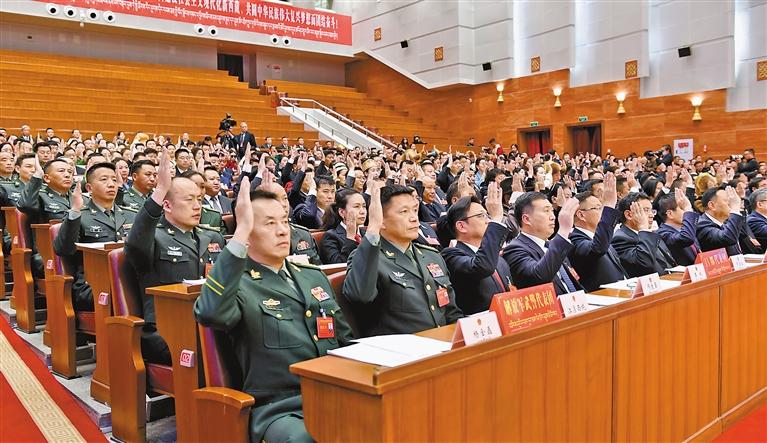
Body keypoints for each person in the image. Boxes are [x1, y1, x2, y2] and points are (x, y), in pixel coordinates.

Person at [194, 180, 353, 443]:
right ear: (246, 232)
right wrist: (239, 236)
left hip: (334, 394)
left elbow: (345, 341)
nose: (282, 231)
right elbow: (209, 313)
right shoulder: (238, 284)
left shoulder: (313, 277)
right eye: (269, 224)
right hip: (281, 409)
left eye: (284, 222)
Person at [125, 150, 225, 364]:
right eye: (189, 200)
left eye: (199, 199)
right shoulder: (154, 238)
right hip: (165, 331)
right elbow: (134, 243)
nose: (197, 206)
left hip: (207, 322)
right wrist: (160, 190)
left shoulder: (213, 237)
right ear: (167, 205)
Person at [343, 184, 462, 337]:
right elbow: (360, 295)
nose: (414, 218)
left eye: (414, 210)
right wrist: (373, 229)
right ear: (381, 220)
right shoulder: (369, 258)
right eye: (404, 212)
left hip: (443, 343)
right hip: (400, 349)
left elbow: (451, 312)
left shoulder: (432, 256)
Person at [53, 163, 135, 312]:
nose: (111, 184)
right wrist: (75, 210)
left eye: (114, 180)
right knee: (130, 293)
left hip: (129, 277)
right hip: (92, 283)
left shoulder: (132, 215)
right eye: (104, 180)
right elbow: (63, 249)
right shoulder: (79, 215)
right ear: (89, 188)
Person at [440, 183, 512, 315]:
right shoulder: (451, 255)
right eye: (480, 216)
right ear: (461, 226)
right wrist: (496, 219)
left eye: (487, 215)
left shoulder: (497, 257)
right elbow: (481, 266)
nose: (488, 221)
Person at [502, 192, 582, 295]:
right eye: (546, 211)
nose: (553, 217)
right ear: (527, 219)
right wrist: (563, 230)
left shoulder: (551, 245)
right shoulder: (514, 249)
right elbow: (539, 277)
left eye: (552, 211)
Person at [568, 174, 628, 292]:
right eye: (598, 208)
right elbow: (597, 249)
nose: (603, 212)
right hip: (602, 298)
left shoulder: (602, 235)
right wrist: (609, 206)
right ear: (581, 215)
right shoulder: (575, 240)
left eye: (602, 207)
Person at [612, 193, 677, 277]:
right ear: (628, 215)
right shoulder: (620, 238)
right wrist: (643, 228)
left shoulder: (651, 233)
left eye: (652, 210)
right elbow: (644, 264)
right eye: (646, 210)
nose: (651, 215)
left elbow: (669, 262)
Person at [258, 181, 322, 265]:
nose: (283, 204)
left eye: (285, 198)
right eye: (275, 200)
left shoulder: (304, 234)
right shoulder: (255, 238)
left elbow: (318, 268)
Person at [319, 189, 367, 264]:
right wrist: (350, 237)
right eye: (356, 206)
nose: (362, 211)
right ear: (342, 212)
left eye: (364, 206)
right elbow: (340, 266)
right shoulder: (330, 237)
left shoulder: (366, 233)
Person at [696, 186, 746, 256]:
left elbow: (744, 235)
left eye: (732, 201)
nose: (731, 204)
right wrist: (735, 208)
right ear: (712, 205)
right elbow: (728, 238)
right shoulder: (702, 225)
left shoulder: (725, 222)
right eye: (728, 201)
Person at [656, 189, 700, 266]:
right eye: (683, 208)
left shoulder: (686, 227)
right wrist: (688, 209)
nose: (689, 212)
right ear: (670, 214)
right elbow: (686, 238)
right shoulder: (663, 233)